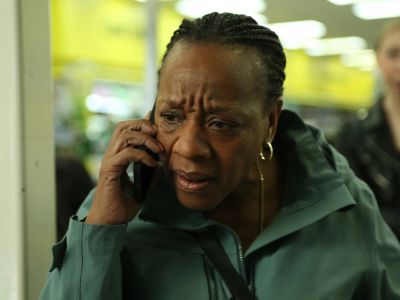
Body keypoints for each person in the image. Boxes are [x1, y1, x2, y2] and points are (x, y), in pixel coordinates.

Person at [40, 12, 400, 299]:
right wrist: (102, 228)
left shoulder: (339, 204)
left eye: (221, 123)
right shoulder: (115, 203)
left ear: (270, 121)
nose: (189, 147)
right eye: (170, 117)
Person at [336, 19, 400, 239]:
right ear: (378, 60)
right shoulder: (353, 136)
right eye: (393, 54)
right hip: (379, 256)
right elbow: (350, 208)